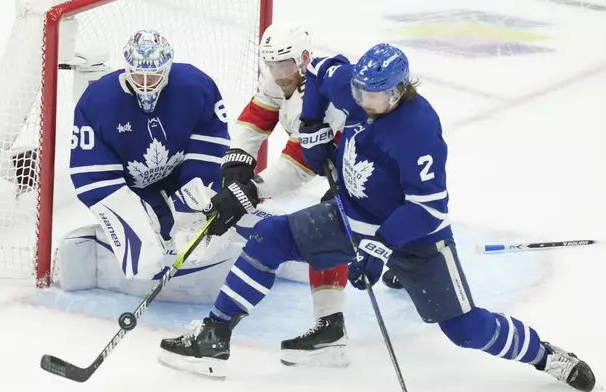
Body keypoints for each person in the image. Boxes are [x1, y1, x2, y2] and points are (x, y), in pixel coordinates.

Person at [157, 42, 597, 392]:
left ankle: (545, 355)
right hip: (349, 215)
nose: (364, 101)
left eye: (376, 95)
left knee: (464, 328)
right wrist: (311, 122)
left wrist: (379, 249)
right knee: (269, 237)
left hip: (414, 236)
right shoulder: (352, 84)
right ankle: (214, 334)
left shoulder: (417, 132)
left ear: (400, 89)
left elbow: (426, 210)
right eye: (361, 92)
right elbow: (319, 74)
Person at [217, 23, 349, 367]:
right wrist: (239, 156)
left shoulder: (323, 99)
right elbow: (259, 114)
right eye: (271, 66)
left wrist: (251, 191)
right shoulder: (280, 77)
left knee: (336, 229)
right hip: (340, 168)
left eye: (285, 66)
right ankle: (332, 329)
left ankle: (333, 329)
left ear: (305, 59)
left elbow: (299, 167)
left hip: (359, 170)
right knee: (333, 231)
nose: (278, 75)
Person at [64, 29, 231, 286]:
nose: (144, 83)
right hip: (132, 186)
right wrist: (129, 226)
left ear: (167, 68)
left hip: (178, 172)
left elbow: (210, 144)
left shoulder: (195, 86)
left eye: (152, 76)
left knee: (214, 218)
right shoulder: (96, 102)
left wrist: (198, 202)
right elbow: (92, 175)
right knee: (147, 254)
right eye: (138, 75)